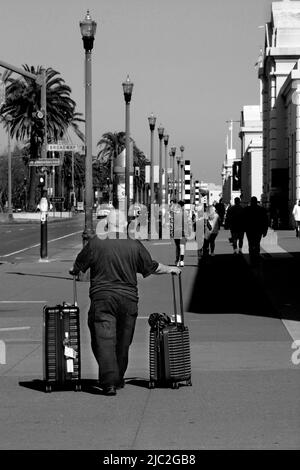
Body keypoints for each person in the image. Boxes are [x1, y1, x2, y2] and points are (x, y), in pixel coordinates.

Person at [69, 209, 181, 396]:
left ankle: (109, 382)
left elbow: (77, 267)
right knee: (123, 341)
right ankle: (118, 377)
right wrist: (171, 269)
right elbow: (151, 267)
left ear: (107, 225)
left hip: (102, 298)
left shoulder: (96, 243)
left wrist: (73, 270)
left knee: (103, 340)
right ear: (124, 225)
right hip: (128, 299)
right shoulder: (134, 245)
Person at [244, 196, 268, 262]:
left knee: (250, 243)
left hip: (249, 229)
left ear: (251, 201)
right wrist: (265, 230)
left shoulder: (246, 209)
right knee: (257, 243)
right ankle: (256, 255)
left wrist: (243, 228)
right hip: (258, 229)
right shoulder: (261, 209)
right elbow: (265, 220)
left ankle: (251, 256)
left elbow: (243, 220)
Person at [170, 200, 192, 267]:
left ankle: (177, 260)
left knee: (177, 247)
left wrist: (171, 231)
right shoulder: (186, 213)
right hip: (184, 231)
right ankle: (182, 260)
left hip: (176, 231)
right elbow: (189, 222)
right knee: (182, 246)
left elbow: (172, 222)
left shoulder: (174, 213)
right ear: (183, 205)